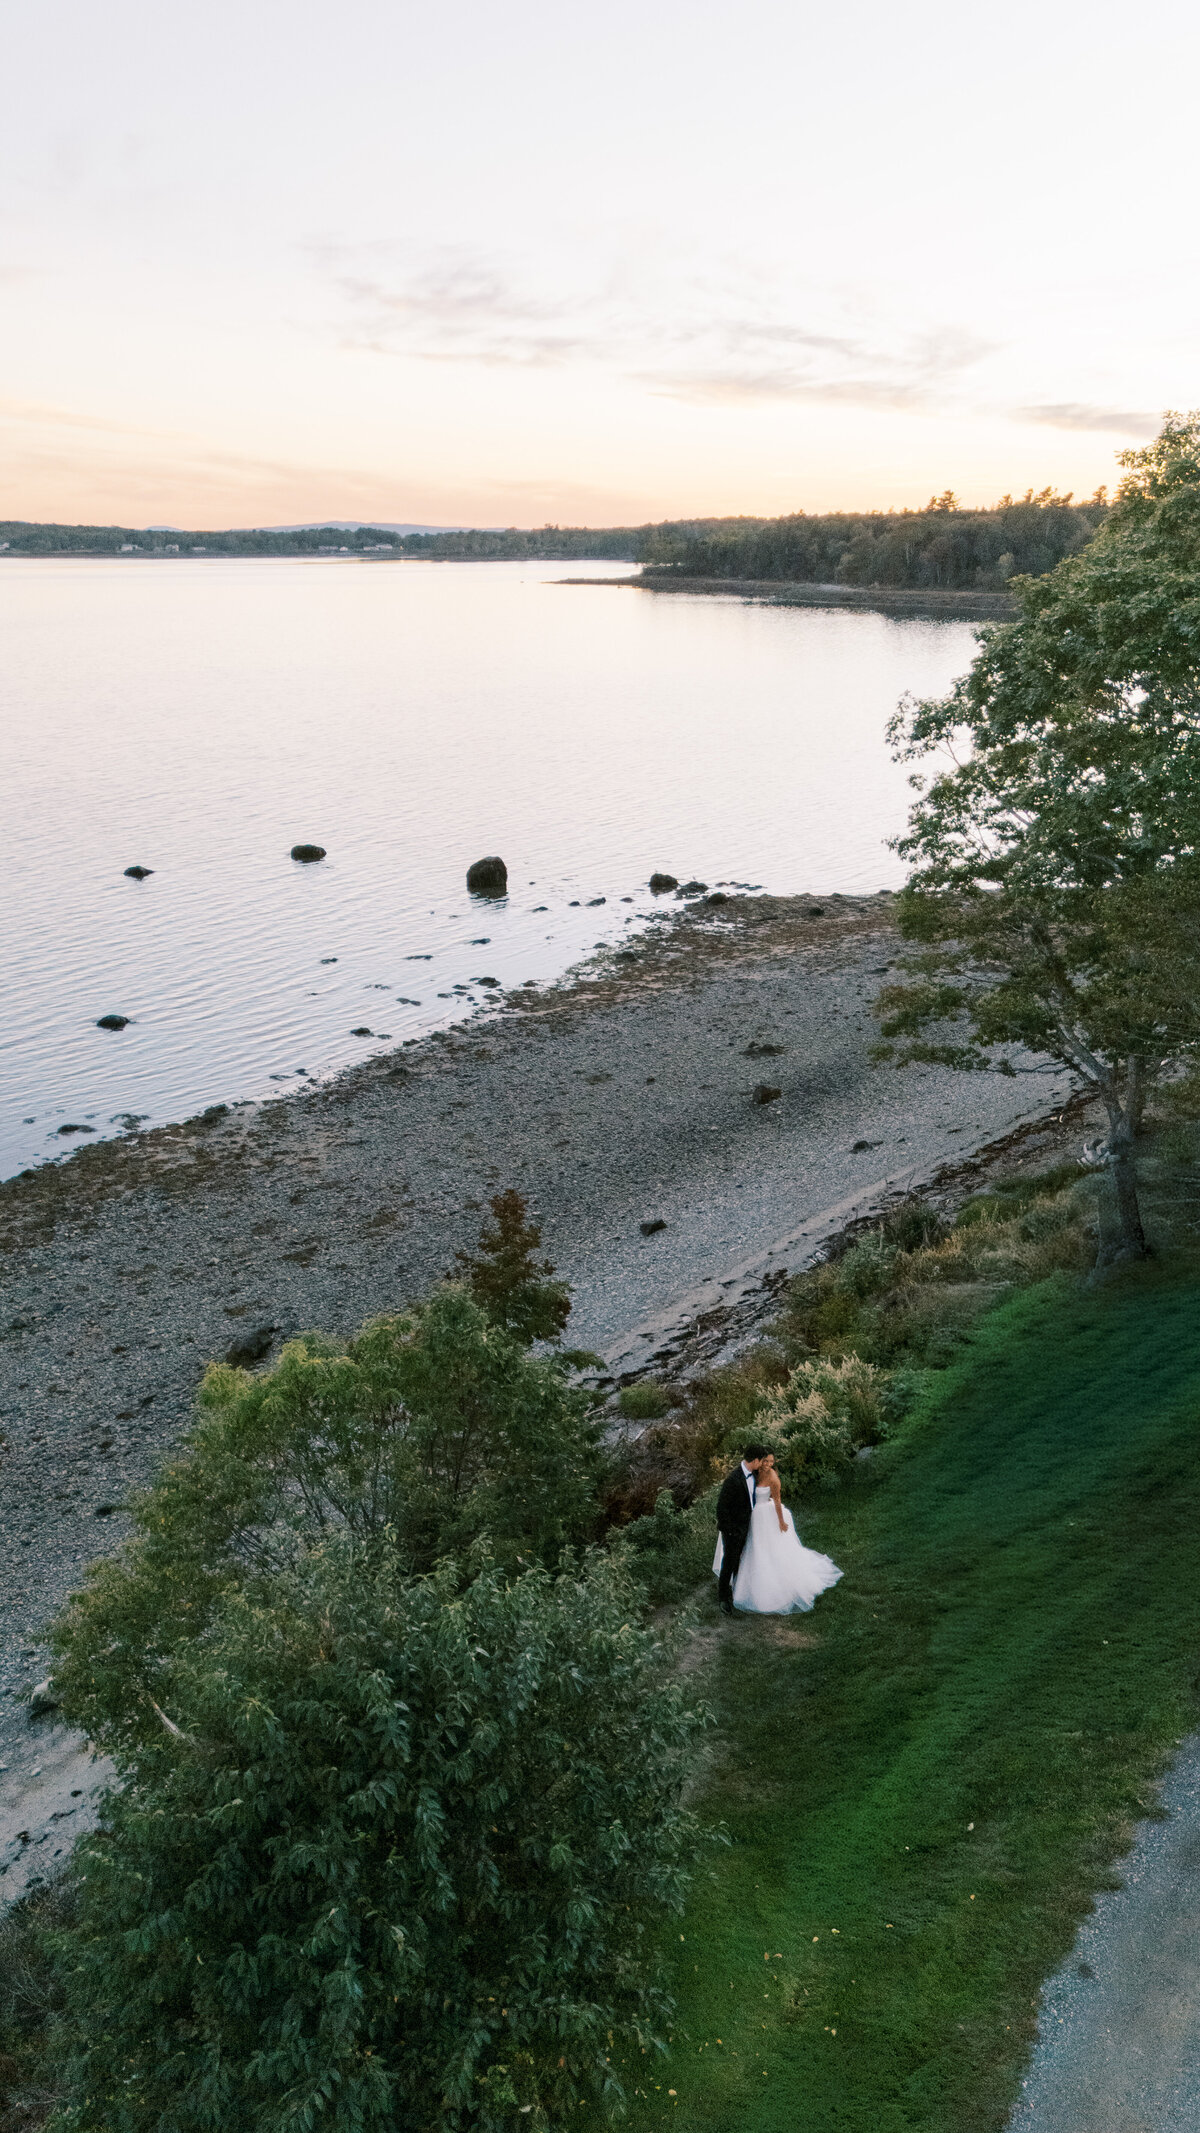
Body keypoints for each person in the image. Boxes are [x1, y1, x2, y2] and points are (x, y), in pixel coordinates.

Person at [713, 1451, 843, 1616]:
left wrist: (781, 1522)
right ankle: (728, 1591)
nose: (767, 1464)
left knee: (760, 1551)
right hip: (748, 1519)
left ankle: (752, 1584)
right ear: (759, 1461)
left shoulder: (773, 1478)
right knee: (740, 1552)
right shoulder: (750, 1473)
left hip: (763, 1517)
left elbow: (777, 1500)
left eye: (770, 1461)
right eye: (765, 1461)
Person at [714, 1443, 767, 1615]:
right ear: (755, 1460)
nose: (762, 1465)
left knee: (741, 1559)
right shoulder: (732, 1480)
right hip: (732, 1530)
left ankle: (738, 1589)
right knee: (729, 1561)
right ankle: (723, 1597)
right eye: (761, 1461)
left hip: (746, 1526)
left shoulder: (754, 1474)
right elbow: (721, 1508)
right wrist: (731, 1531)